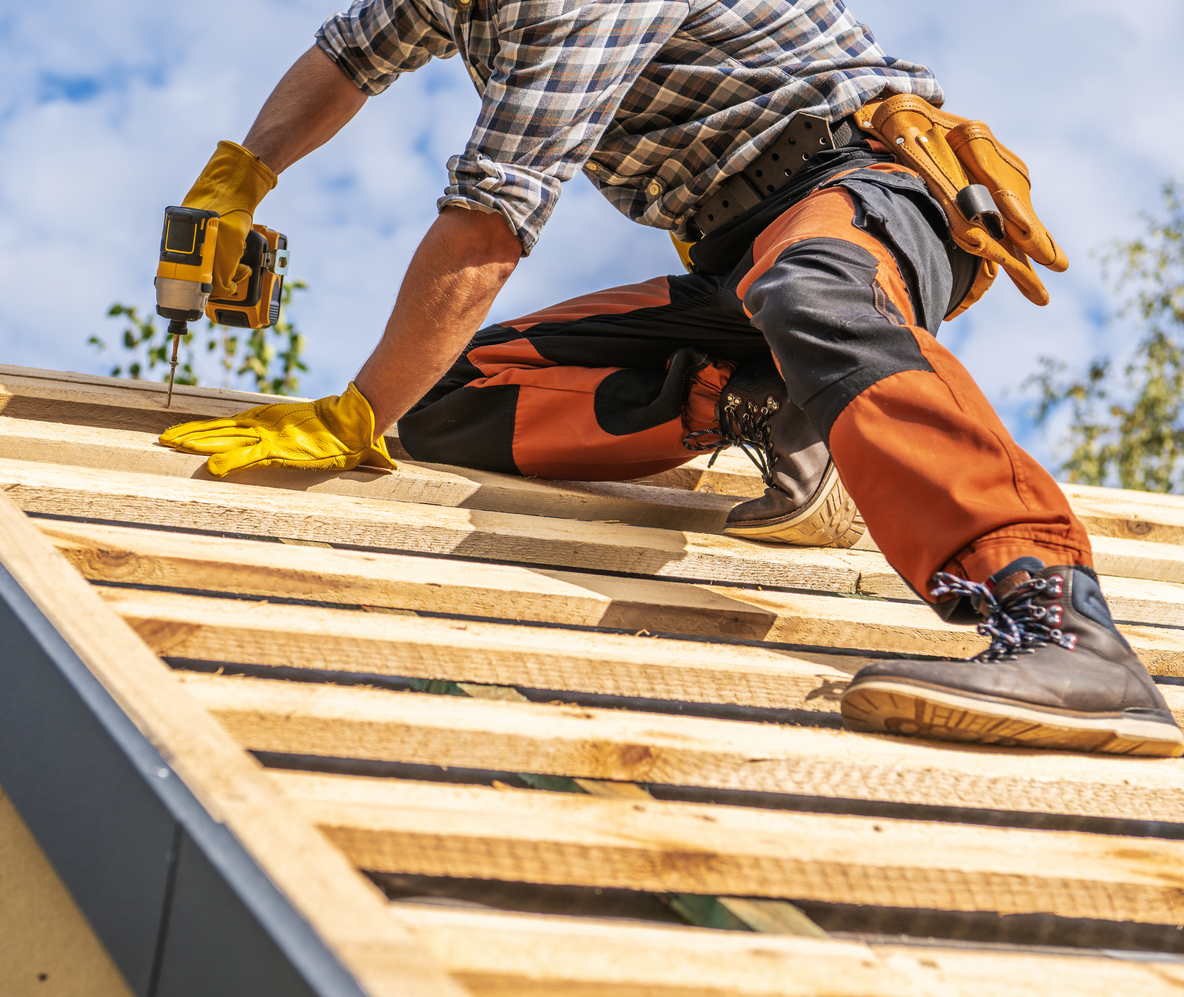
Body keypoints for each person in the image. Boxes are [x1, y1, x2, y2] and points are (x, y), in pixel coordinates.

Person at [157, 0, 1184, 758]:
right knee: (448, 398)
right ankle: (767, 403)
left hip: (857, 191)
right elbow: (349, 55)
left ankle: (1058, 619)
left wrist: (354, 414)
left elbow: (489, 222)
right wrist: (244, 171)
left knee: (816, 294)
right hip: (739, 261)